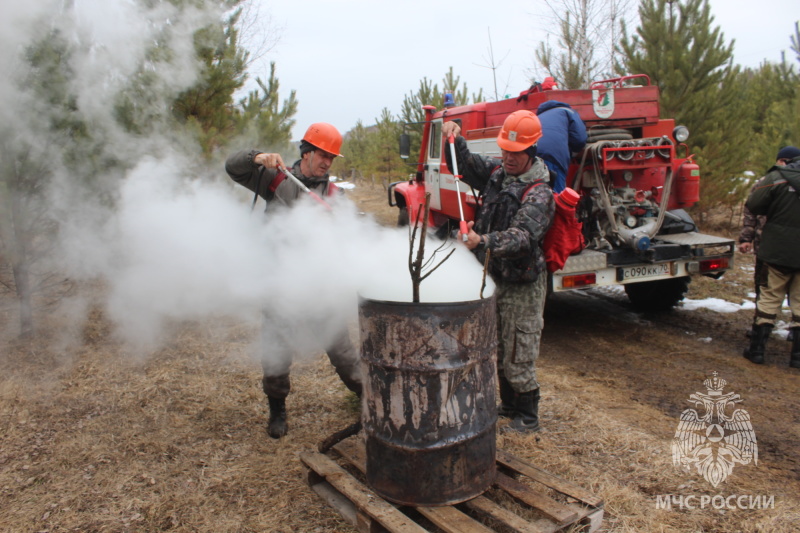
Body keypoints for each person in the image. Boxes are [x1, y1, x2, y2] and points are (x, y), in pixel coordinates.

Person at [224, 123, 363, 438]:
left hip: (316, 286)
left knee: (342, 351)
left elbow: (350, 236)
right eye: (322, 154)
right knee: (276, 351)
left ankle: (368, 400)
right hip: (280, 285)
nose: (327, 162)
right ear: (307, 151)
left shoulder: (335, 195)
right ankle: (277, 410)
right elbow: (232, 167)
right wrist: (257, 157)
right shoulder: (276, 178)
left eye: (332, 157)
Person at [442, 110, 555, 432]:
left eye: (515, 153)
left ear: (530, 152)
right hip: (496, 277)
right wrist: (455, 136)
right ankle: (508, 407)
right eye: (505, 149)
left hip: (522, 283)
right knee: (501, 347)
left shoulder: (539, 193)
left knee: (519, 349)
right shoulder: (498, 173)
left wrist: (483, 240)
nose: (507, 156)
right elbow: (466, 164)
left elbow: (522, 237)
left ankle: (527, 417)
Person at [742, 148, 800, 368]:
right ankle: (797, 357)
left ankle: (757, 350)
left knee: (769, 296)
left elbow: (754, 205)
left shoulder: (776, 178)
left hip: (776, 249)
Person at [738, 146, 800, 300]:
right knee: (763, 283)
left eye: (788, 161)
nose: (784, 164)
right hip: (765, 244)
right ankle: (763, 316)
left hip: (789, 244)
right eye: (782, 160)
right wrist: (746, 238)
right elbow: (751, 212)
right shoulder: (766, 182)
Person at [536, 100, 587, 193]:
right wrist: (574, 151)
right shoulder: (568, 112)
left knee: (536, 190)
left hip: (532, 154)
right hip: (554, 155)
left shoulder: (539, 117)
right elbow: (580, 138)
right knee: (557, 195)